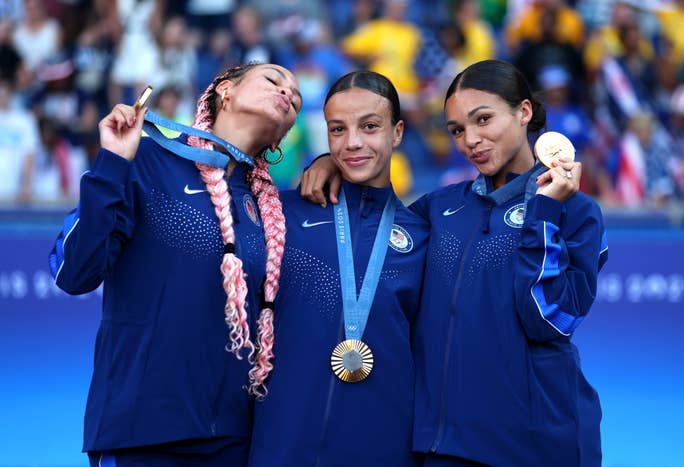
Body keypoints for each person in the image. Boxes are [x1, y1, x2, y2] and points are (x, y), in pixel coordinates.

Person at [302, 59, 608, 466]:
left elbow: (549, 319)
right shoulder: (441, 207)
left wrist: (545, 213)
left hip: (535, 445)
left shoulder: (576, 212)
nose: (471, 141)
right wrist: (331, 163)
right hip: (443, 445)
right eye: (458, 130)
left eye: (483, 119)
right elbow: (373, 218)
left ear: (524, 112)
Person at [48, 63, 302, 466]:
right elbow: (74, 272)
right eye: (273, 80)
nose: (288, 94)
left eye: (297, 99)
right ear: (225, 92)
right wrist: (113, 162)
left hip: (235, 442)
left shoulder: (272, 210)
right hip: (143, 433)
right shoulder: (148, 162)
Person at [248, 70, 429, 467]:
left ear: (397, 132)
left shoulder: (422, 234)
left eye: (369, 126)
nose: (353, 143)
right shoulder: (284, 213)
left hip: (383, 450)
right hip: (281, 447)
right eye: (337, 129)